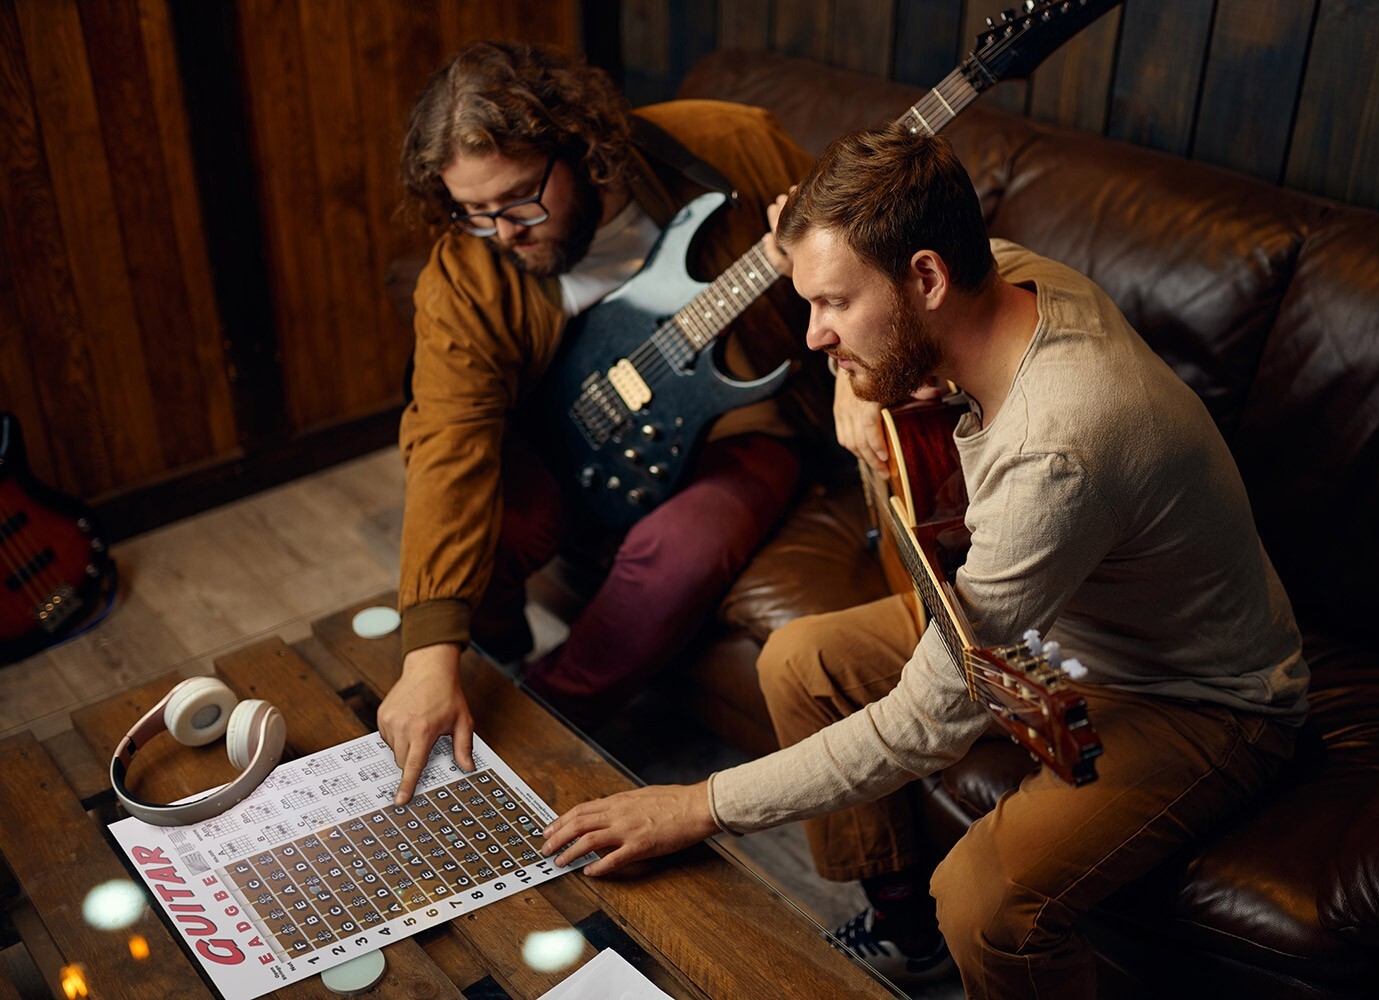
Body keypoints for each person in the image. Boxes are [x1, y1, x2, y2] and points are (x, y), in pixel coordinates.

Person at [539, 125, 1310, 997]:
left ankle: (942, 924)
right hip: (1057, 625)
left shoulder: (1059, 448)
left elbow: (922, 723)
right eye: (809, 304)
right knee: (802, 661)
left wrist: (695, 804)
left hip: (1193, 696)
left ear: (927, 278)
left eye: (831, 304)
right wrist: (853, 382)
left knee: (982, 901)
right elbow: (865, 323)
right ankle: (905, 933)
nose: (814, 335)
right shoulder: (1004, 275)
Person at [378, 41, 815, 806]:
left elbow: (857, 245)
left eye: (518, 200)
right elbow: (448, 443)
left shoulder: (727, 143)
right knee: (486, 520)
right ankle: (496, 663)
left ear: (579, 146)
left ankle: (545, 723)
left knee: (679, 550)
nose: (505, 233)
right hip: (563, 431)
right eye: (473, 213)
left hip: (735, 424)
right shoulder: (470, 272)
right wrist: (427, 658)